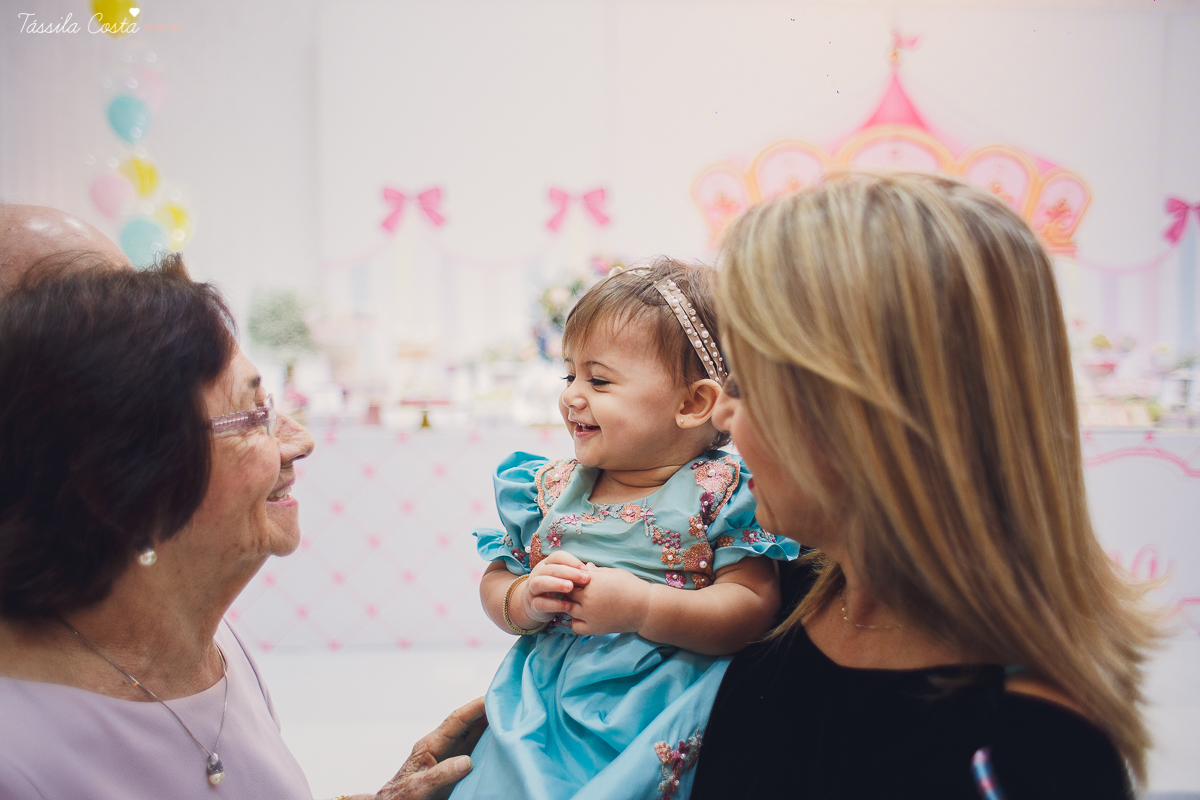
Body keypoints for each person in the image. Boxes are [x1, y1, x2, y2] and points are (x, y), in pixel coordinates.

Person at [691, 172, 1159, 799]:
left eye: (746, 382)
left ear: (861, 412)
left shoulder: (1029, 756)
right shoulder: (773, 589)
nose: (723, 414)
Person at [0, 251, 484, 800]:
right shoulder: (18, 759)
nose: (300, 440)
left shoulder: (209, 641)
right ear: (125, 479)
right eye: (255, 417)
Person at [457, 259, 800, 800]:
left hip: (659, 712)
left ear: (692, 403)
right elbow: (497, 579)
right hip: (539, 710)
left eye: (598, 380)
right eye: (569, 374)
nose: (572, 396)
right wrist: (523, 598)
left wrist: (644, 608)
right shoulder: (545, 488)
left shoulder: (723, 494)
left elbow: (752, 609)